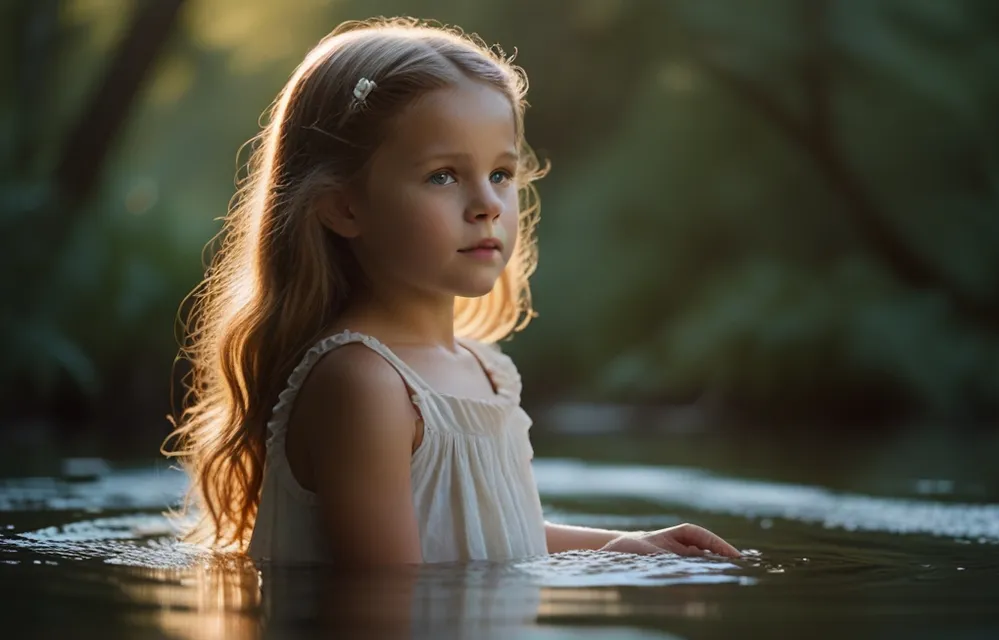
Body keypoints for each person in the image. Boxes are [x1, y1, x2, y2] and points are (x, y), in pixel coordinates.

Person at [163, 17, 740, 566]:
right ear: (344, 206)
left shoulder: (486, 369)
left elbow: (486, 536)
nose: (488, 203)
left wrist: (621, 545)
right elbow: (392, 595)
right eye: (443, 175)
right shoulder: (364, 384)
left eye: (501, 174)